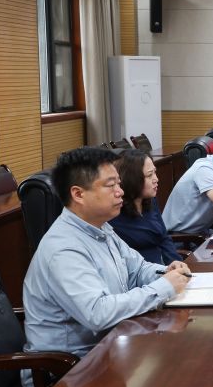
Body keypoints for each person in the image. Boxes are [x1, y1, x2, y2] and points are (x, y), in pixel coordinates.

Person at [22, 147, 190, 373]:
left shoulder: (101, 227)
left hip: (109, 349)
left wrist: (167, 271)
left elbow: (137, 269)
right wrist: (164, 287)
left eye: (119, 184)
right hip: (67, 371)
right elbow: (97, 313)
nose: (120, 192)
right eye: (111, 185)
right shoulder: (63, 249)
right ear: (78, 194)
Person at [109, 149, 183, 265]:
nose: (156, 179)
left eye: (155, 172)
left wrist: (177, 263)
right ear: (131, 179)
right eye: (149, 175)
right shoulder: (114, 212)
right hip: (140, 272)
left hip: (162, 268)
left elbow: (163, 237)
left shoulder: (150, 200)